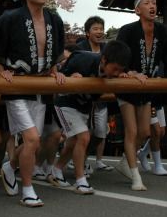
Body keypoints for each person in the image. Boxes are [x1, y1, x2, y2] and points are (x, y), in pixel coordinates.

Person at [0, 0, 66, 207]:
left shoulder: (53, 19)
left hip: (41, 85)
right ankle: (27, 189)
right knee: (33, 139)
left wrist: (55, 69)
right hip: (17, 84)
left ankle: (10, 165)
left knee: (32, 139)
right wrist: (0, 68)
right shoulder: (10, 17)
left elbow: (58, 50)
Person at [115, 0, 167, 190]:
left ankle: (126, 160)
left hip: (146, 87)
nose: (152, 6)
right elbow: (118, 52)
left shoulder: (161, 31)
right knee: (132, 131)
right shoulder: (128, 30)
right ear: (137, 10)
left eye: (154, 3)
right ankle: (136, 178)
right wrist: (129, 72)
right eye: (147, 3)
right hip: (127, 86)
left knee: (144, 132)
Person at [52, 41, 131, 194]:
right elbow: (60, 73)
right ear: (104, 60)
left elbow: (122, 75)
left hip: (84, 107)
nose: (116, 73)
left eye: (119, 70)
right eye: (114, 69)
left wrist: (126, 75)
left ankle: (56, 170)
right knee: (83, 137)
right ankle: (80, 181)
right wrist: (69, 76)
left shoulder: (118, 72)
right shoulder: (82, 59)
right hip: (65, 102)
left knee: (72, 142)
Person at [76, 16, 113, 171]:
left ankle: (88, 158)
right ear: (87, 33)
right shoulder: (80, 48)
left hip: (101, 98)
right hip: (82, 98)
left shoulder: (107, 49)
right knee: (84, 133)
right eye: (95, 29)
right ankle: (81, 162)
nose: (99, 32)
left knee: (100, 132)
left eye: (101, 29)